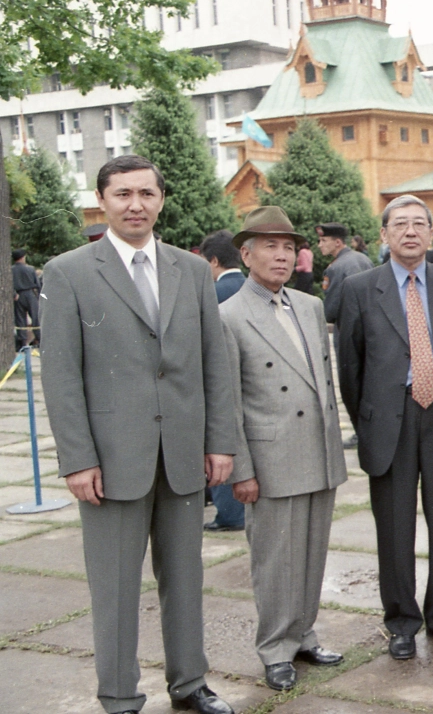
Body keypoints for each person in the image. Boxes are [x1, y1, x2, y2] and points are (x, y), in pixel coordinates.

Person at [40, 155, 239, 714]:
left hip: (181, 455)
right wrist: (77, 459)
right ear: (102, 201)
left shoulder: (192, 270)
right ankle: (120, 694)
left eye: (146, 194)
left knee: (186, 579)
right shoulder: (69, 271)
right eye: (123, 194)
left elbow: (212, 364)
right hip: (109, 460)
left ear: (160, 200)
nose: (136, 205)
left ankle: (191, 683)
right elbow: (60, 376)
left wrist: (220, 442)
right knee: (116, 588)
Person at [337, 194, 433, 661]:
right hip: (389, 419)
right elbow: (350, 368)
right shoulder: (361, 288)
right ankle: (400, 621)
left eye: (420, 223)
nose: (410, 231)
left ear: (432, 232)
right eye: (400, 224)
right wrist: (370, 417)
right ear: (384, 235)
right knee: (394, 528)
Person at [220, 206, 348, 691]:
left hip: (318, 450)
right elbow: (228, 402)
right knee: (275, 560)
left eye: (288, 247)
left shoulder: (309, 305)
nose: (281, 255)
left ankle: (303, 634)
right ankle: (275, 647)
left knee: (313, 553)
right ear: (246, 254)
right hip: (270, 459)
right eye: (269, 247)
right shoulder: (228, 315)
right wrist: (242, 471)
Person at [197, 229, 248, 533]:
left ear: (213, 260)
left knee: (219, 447)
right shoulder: (253, 287)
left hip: (220, 384)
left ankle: (228, 514)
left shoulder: (211, 294)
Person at [317, 222, 373, 326]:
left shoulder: (335, 267)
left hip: (347, 328)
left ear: (337, 242)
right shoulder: (364, 259)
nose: (319, 245)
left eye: (324, 240)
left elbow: (331, 309)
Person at [12, 249, 40, 348]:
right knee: (36, 318)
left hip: (18, 295)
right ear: (23, 257)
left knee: (20, 319)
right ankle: (39, 339)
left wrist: (13, 294)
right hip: (30, 294)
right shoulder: (30, 269)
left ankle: (23, 343)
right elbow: (37, 284)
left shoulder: (11, 270)